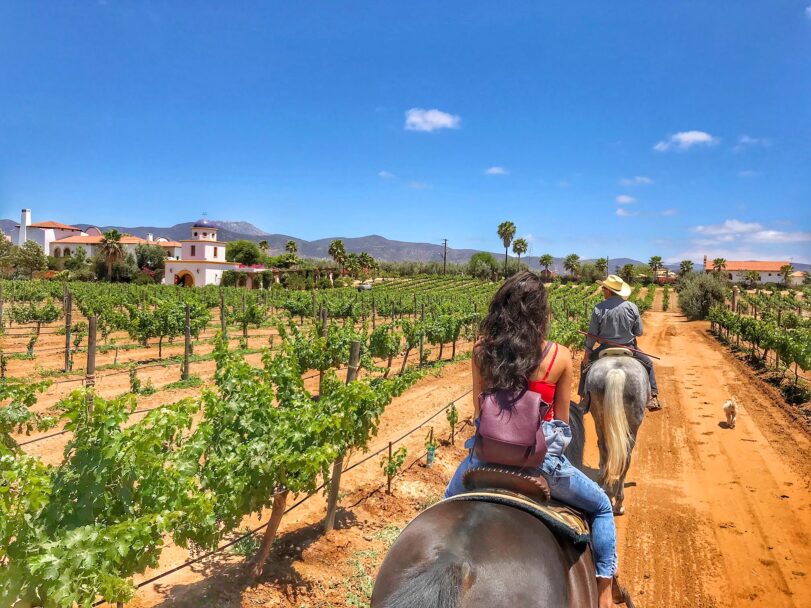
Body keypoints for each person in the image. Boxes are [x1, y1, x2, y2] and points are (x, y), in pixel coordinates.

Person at [445, 272, 620, 608]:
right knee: (600, 506)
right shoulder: (560, 357)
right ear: (541, 313)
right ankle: (604, 594)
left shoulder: (482, 351)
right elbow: (562, 424)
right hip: (541, 466)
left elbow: (479, 412)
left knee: (445, 504)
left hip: (485, 459)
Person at [578, 275, 661, 410]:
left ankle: (584, 399)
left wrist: (588, 350)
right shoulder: (632, 307)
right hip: (629, 348)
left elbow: (592, 334)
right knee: (649, 363)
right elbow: (639, 331)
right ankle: (653, 396)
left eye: (604, 288)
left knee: (584, 366)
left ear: (610, 291)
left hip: (604, 348)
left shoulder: (598, 308)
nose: (602, 290)